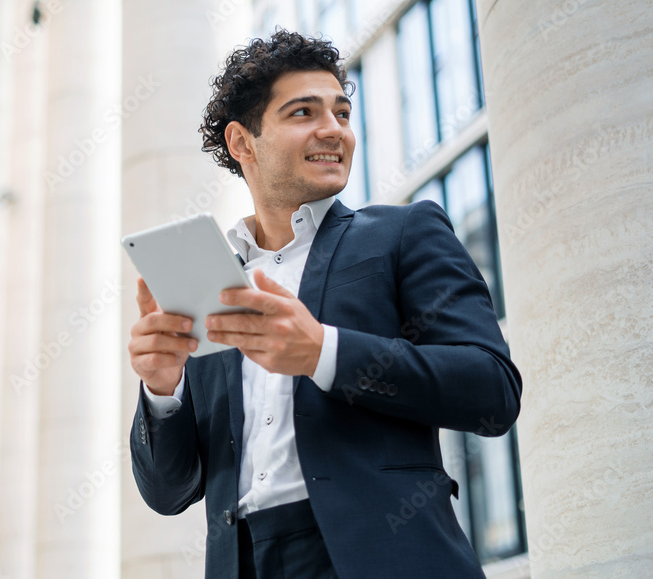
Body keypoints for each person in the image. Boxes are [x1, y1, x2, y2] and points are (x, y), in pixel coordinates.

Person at [127, 30, 522, 578]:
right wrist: (162, 390)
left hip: (383, 555)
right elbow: (169, 492)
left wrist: (322, 352)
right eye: (303, 112)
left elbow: (492, 391)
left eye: (341, 112)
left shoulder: (404, 233)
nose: (333, 130)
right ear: (243, 142)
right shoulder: (213, 281)